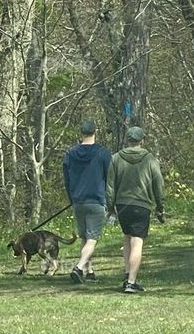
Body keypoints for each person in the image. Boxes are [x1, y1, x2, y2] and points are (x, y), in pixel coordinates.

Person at [106, 126, 165, 293]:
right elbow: (158, 183)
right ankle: (131, 282)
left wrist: (110, 208)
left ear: (127, 141)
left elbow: (110, 186)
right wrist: (160, 205)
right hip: (141, 204)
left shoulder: (116, 158)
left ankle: (127, 274)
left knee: (127, 238)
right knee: (137, 241)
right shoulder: (150, 159)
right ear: (142, 141)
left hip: (122, 205)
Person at [62, 120, 112, 284]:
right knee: (92, 238)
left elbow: (66, 178)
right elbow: (109, 177)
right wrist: (110, 200)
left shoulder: (70, 153)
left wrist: (71, 198)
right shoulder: (102, 153)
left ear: (81, 133)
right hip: (96, 200)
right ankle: (78, 267)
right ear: (95, 132)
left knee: (84, 237)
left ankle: (89, 272)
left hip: (78, 200)